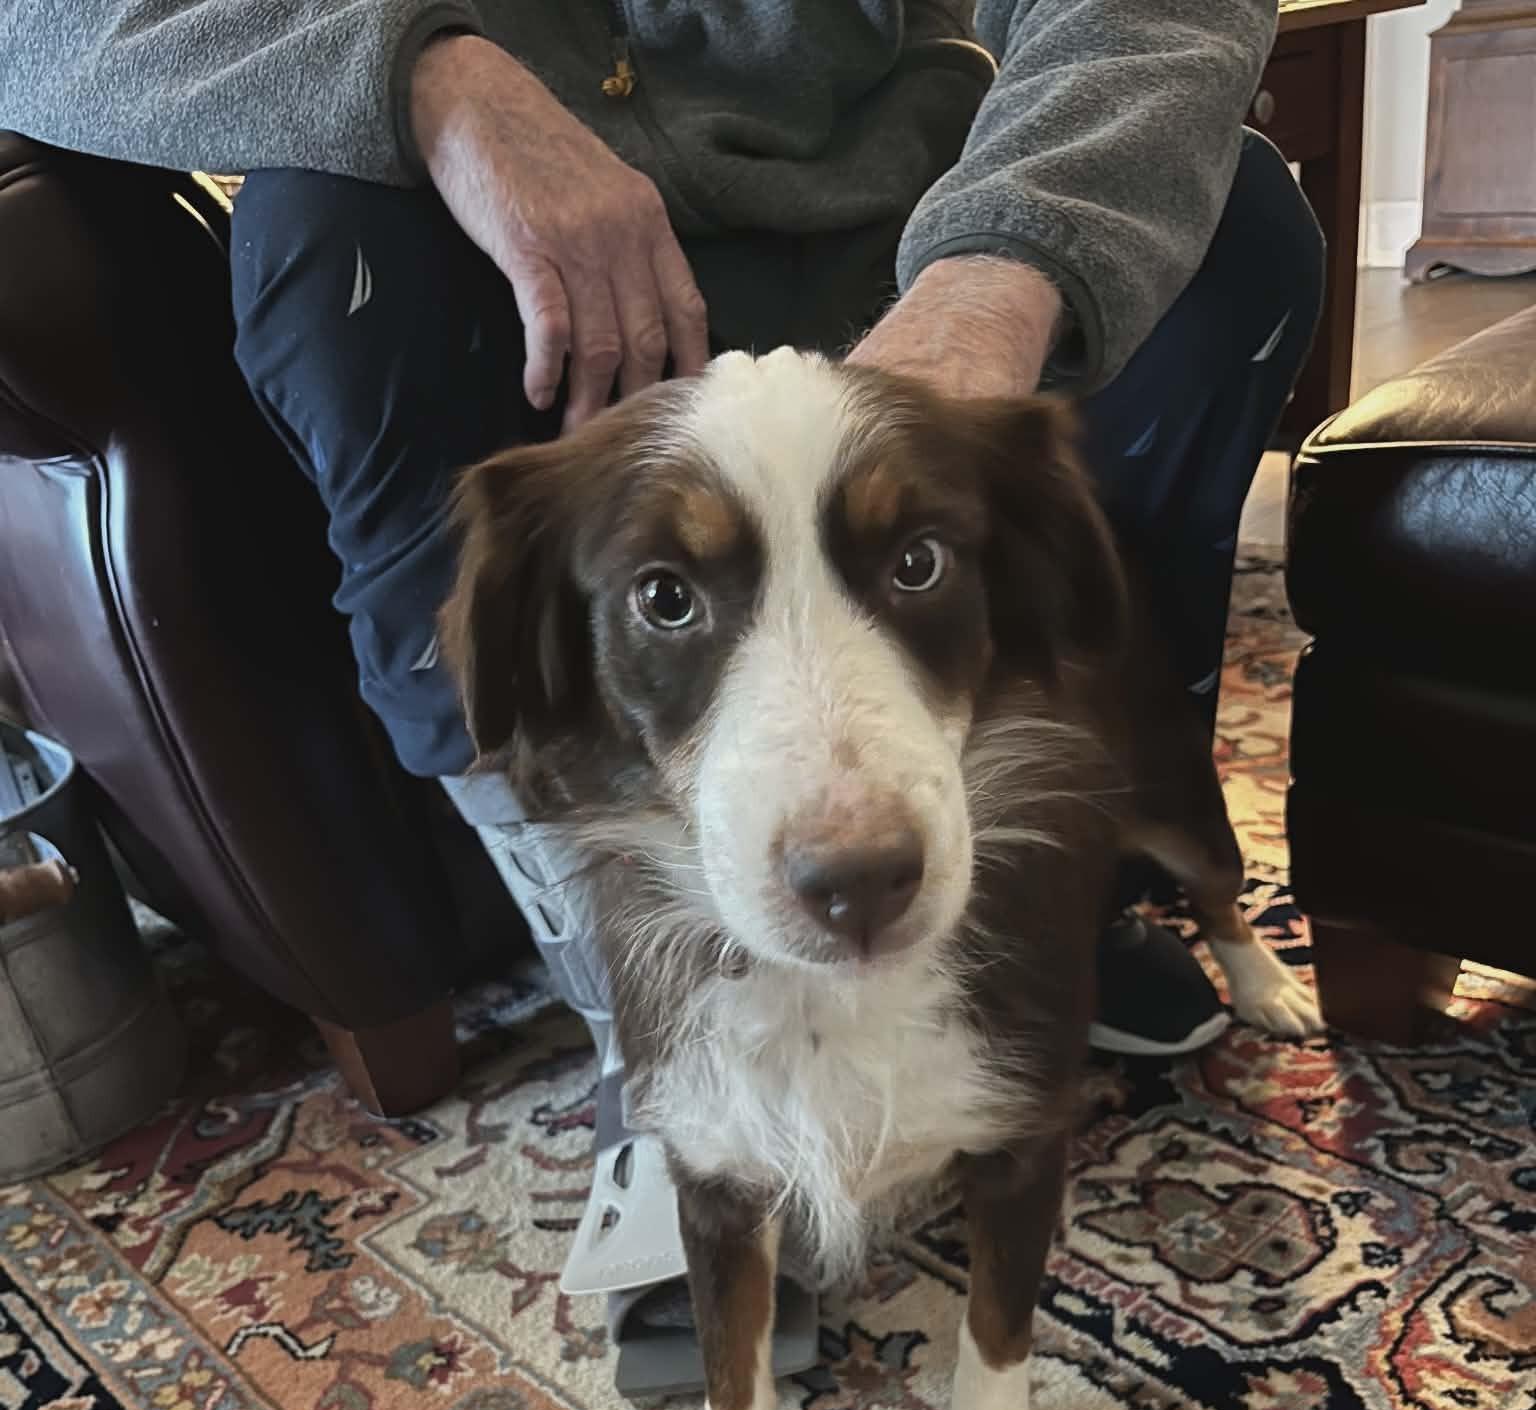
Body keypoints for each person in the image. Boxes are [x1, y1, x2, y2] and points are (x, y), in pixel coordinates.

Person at [1, 1, 1323, 1319]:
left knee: (1244, 220)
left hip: (918, 193)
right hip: (477, 235)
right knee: (324, 234)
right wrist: (430, 78)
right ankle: (634, 1021)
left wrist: (1006, 266)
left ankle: (1061, 882)